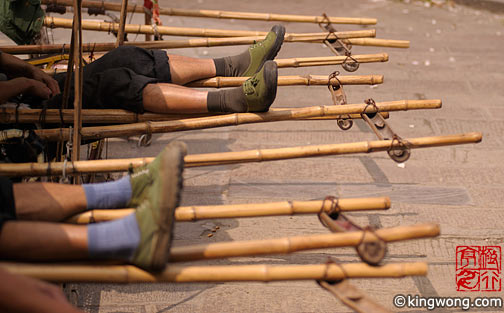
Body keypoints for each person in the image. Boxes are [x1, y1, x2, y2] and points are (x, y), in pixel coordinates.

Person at [1, 25, 285, 114]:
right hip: (17, 103)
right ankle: (234, 101)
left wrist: (30, 71)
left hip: (24, 85)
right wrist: (24, 85)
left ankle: (235, 66)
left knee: (126, 57)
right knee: (114, 83)